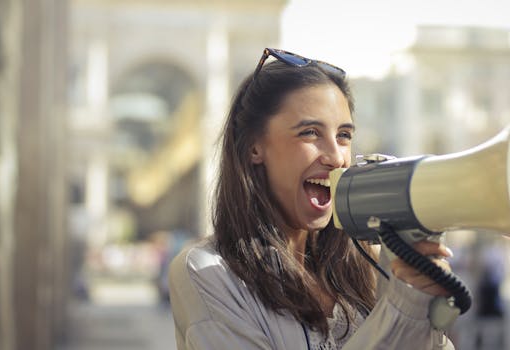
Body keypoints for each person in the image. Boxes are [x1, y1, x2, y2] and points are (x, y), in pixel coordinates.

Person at [168, 48, 456, 349]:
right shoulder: (207, 272)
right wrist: (402, 310)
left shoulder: (372, 264)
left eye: (344, 136)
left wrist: (424, 306)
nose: (336, 157)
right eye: (310, 133)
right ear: (255, 147)